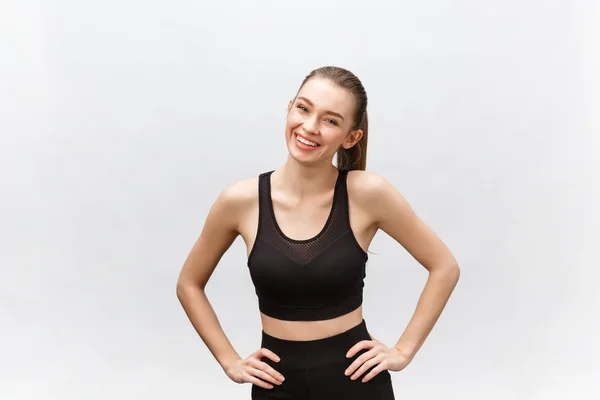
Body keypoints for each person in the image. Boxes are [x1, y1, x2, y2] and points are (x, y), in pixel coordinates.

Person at [176, 66, 460, 399]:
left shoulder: (368, 194)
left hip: (356, 384)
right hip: (276, 386)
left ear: (351, 137)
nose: (309, 127)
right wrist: (230, 361)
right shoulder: (240, 201)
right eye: (304, 108)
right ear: (290, 107)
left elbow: (445, 267)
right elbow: (188, 283)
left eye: (331, 120)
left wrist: (403, 351)